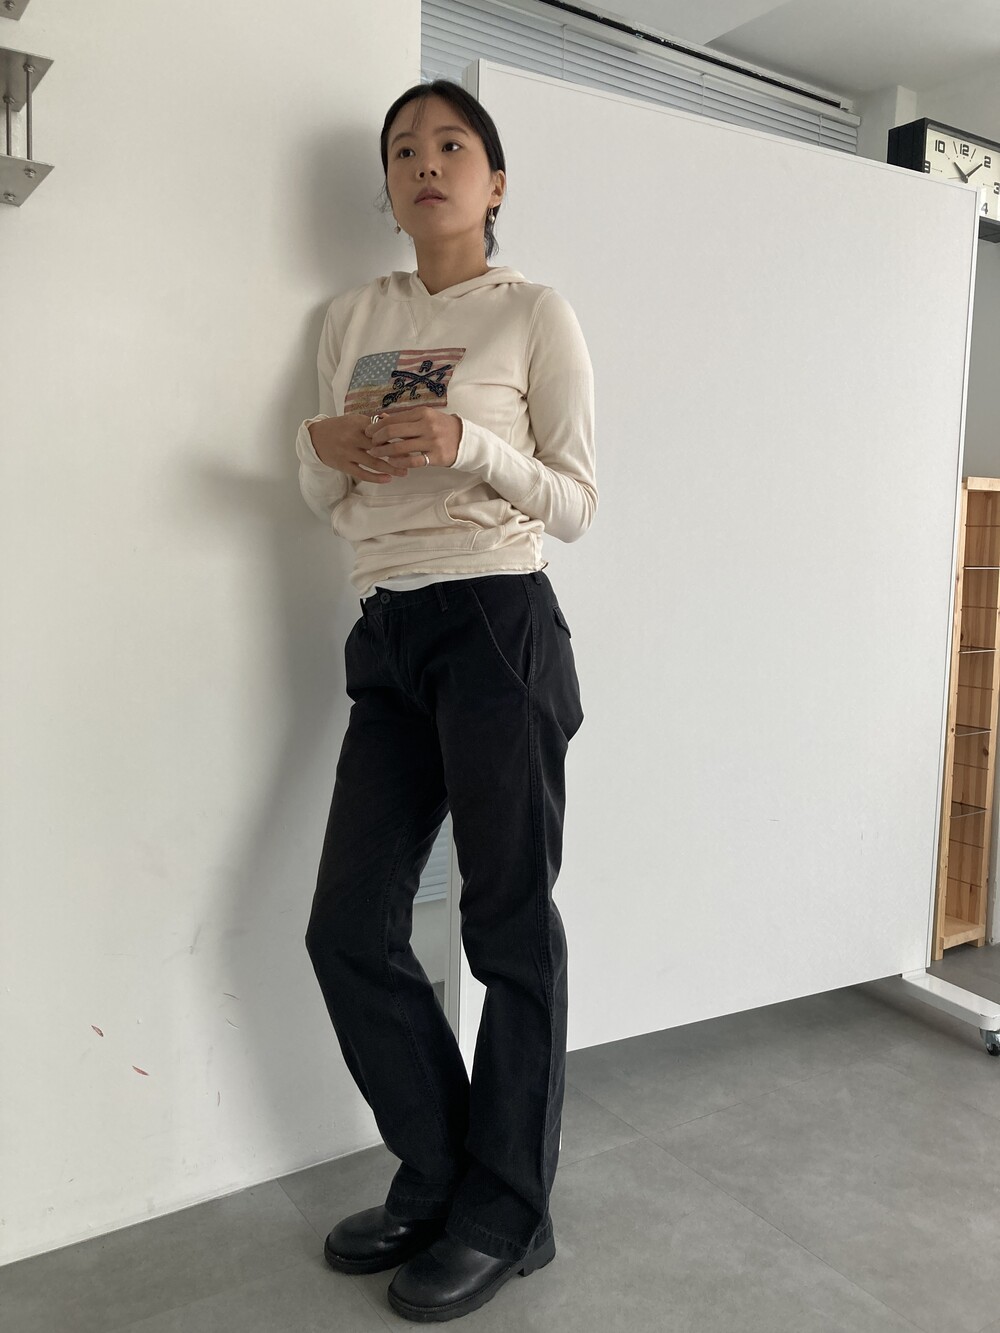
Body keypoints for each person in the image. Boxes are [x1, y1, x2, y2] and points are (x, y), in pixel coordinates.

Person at [296, 78, 597, 1323]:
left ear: (494, 180)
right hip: (387, 631)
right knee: (347, 924)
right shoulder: (353, 315)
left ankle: (507, 1208)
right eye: (403, 149)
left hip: (496, 623)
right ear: (386, 185)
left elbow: (575, 502)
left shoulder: (531, 312)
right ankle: (438, 1169)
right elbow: (323, 499)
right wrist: (328, 452)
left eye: (452, 145)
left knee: (505, 922)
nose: (426, 162)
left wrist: (465, 445)